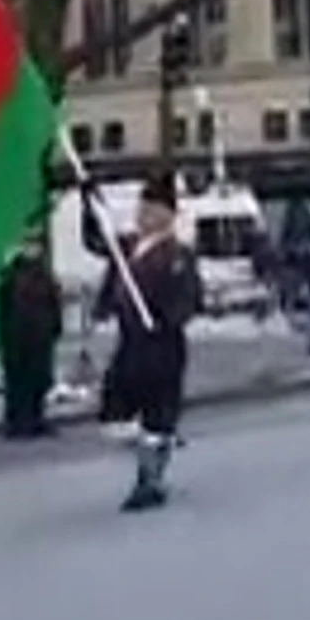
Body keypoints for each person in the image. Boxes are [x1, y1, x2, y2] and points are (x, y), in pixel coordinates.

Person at [96, 175, 203, 512]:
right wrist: (104, 307)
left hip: (162, 343)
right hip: (131, 342)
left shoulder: (177, 254)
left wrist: (167, 319)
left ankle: (150, 479)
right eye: (142, 209)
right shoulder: (125, 249)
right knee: (117, 409)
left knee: (158, 414)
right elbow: (111, 280)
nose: (143, 216)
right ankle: (150, 455)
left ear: (168, 215)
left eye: (152, 210)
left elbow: (189, 298)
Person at [0, 232, 62, 439]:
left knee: (39, 379)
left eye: (36, 245)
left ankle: (36, 418)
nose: (32, 250)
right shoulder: (12, 273)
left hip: (41, 335)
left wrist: (55, 327)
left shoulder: (44, 273)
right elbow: (4, 305)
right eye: (28, 244)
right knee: (18, 379)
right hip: (17, 335)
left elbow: (53, 302)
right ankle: (17, 422)